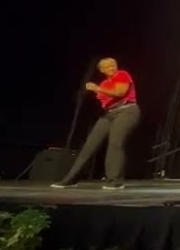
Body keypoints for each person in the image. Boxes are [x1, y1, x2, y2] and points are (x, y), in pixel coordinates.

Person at [52, 57, 141, 190]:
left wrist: (97, 88)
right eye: (107, 66)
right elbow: (105, 102)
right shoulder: (104, 83)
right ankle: (71, 179)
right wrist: (91, 91)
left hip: (126, 111)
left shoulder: (122, 74)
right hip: (109, 114)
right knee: (89, 145)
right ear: (102, 70)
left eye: (113, 65)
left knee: (115, 144)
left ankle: (116, 181)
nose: (111, 68)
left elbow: (120, 92)